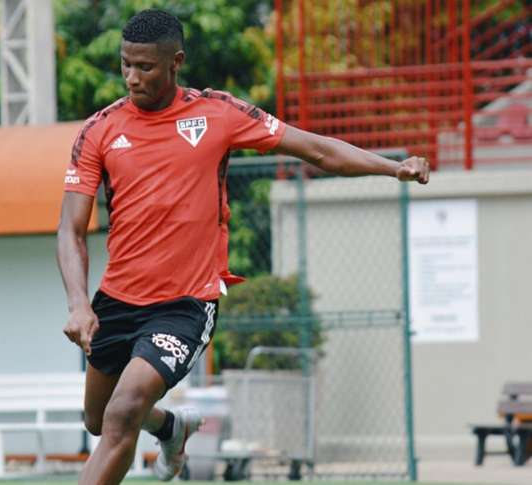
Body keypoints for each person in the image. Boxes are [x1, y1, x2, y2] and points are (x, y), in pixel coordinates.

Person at [56, 8, 429, 485]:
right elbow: (70, 228)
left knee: (123, 411)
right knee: (98, 417)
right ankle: (171, 427)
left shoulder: (219, 114)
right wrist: (77, 303)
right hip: (117, 300)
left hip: (184, 304)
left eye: (144, 67)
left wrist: (390, 167)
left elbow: (314, 148)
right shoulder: (100, 130)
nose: (131, 77)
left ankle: (157, 428)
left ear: (176, 62)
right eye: (125, 64)